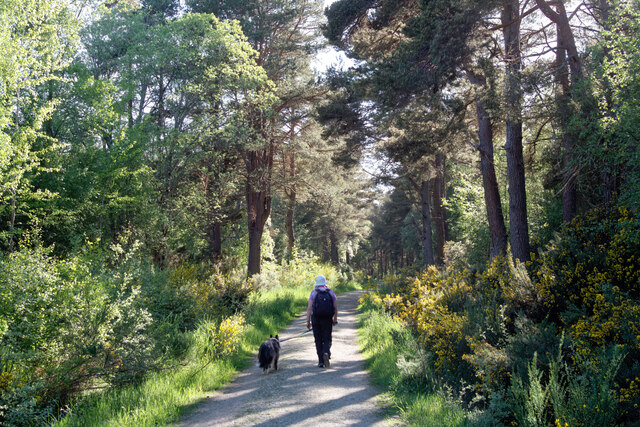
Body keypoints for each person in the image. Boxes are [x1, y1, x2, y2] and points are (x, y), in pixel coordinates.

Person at [306, 275, 338, 368]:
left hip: (315, 318)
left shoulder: (313, 293)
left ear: (316, 284)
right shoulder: (331, 292)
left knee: (318, 339)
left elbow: (309, 308)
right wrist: (335, 319)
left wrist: (308, 321)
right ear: (325, 283)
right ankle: (325, 352)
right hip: (327, 318)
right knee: (327, 338)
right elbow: (335, 307)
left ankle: (320, 361)